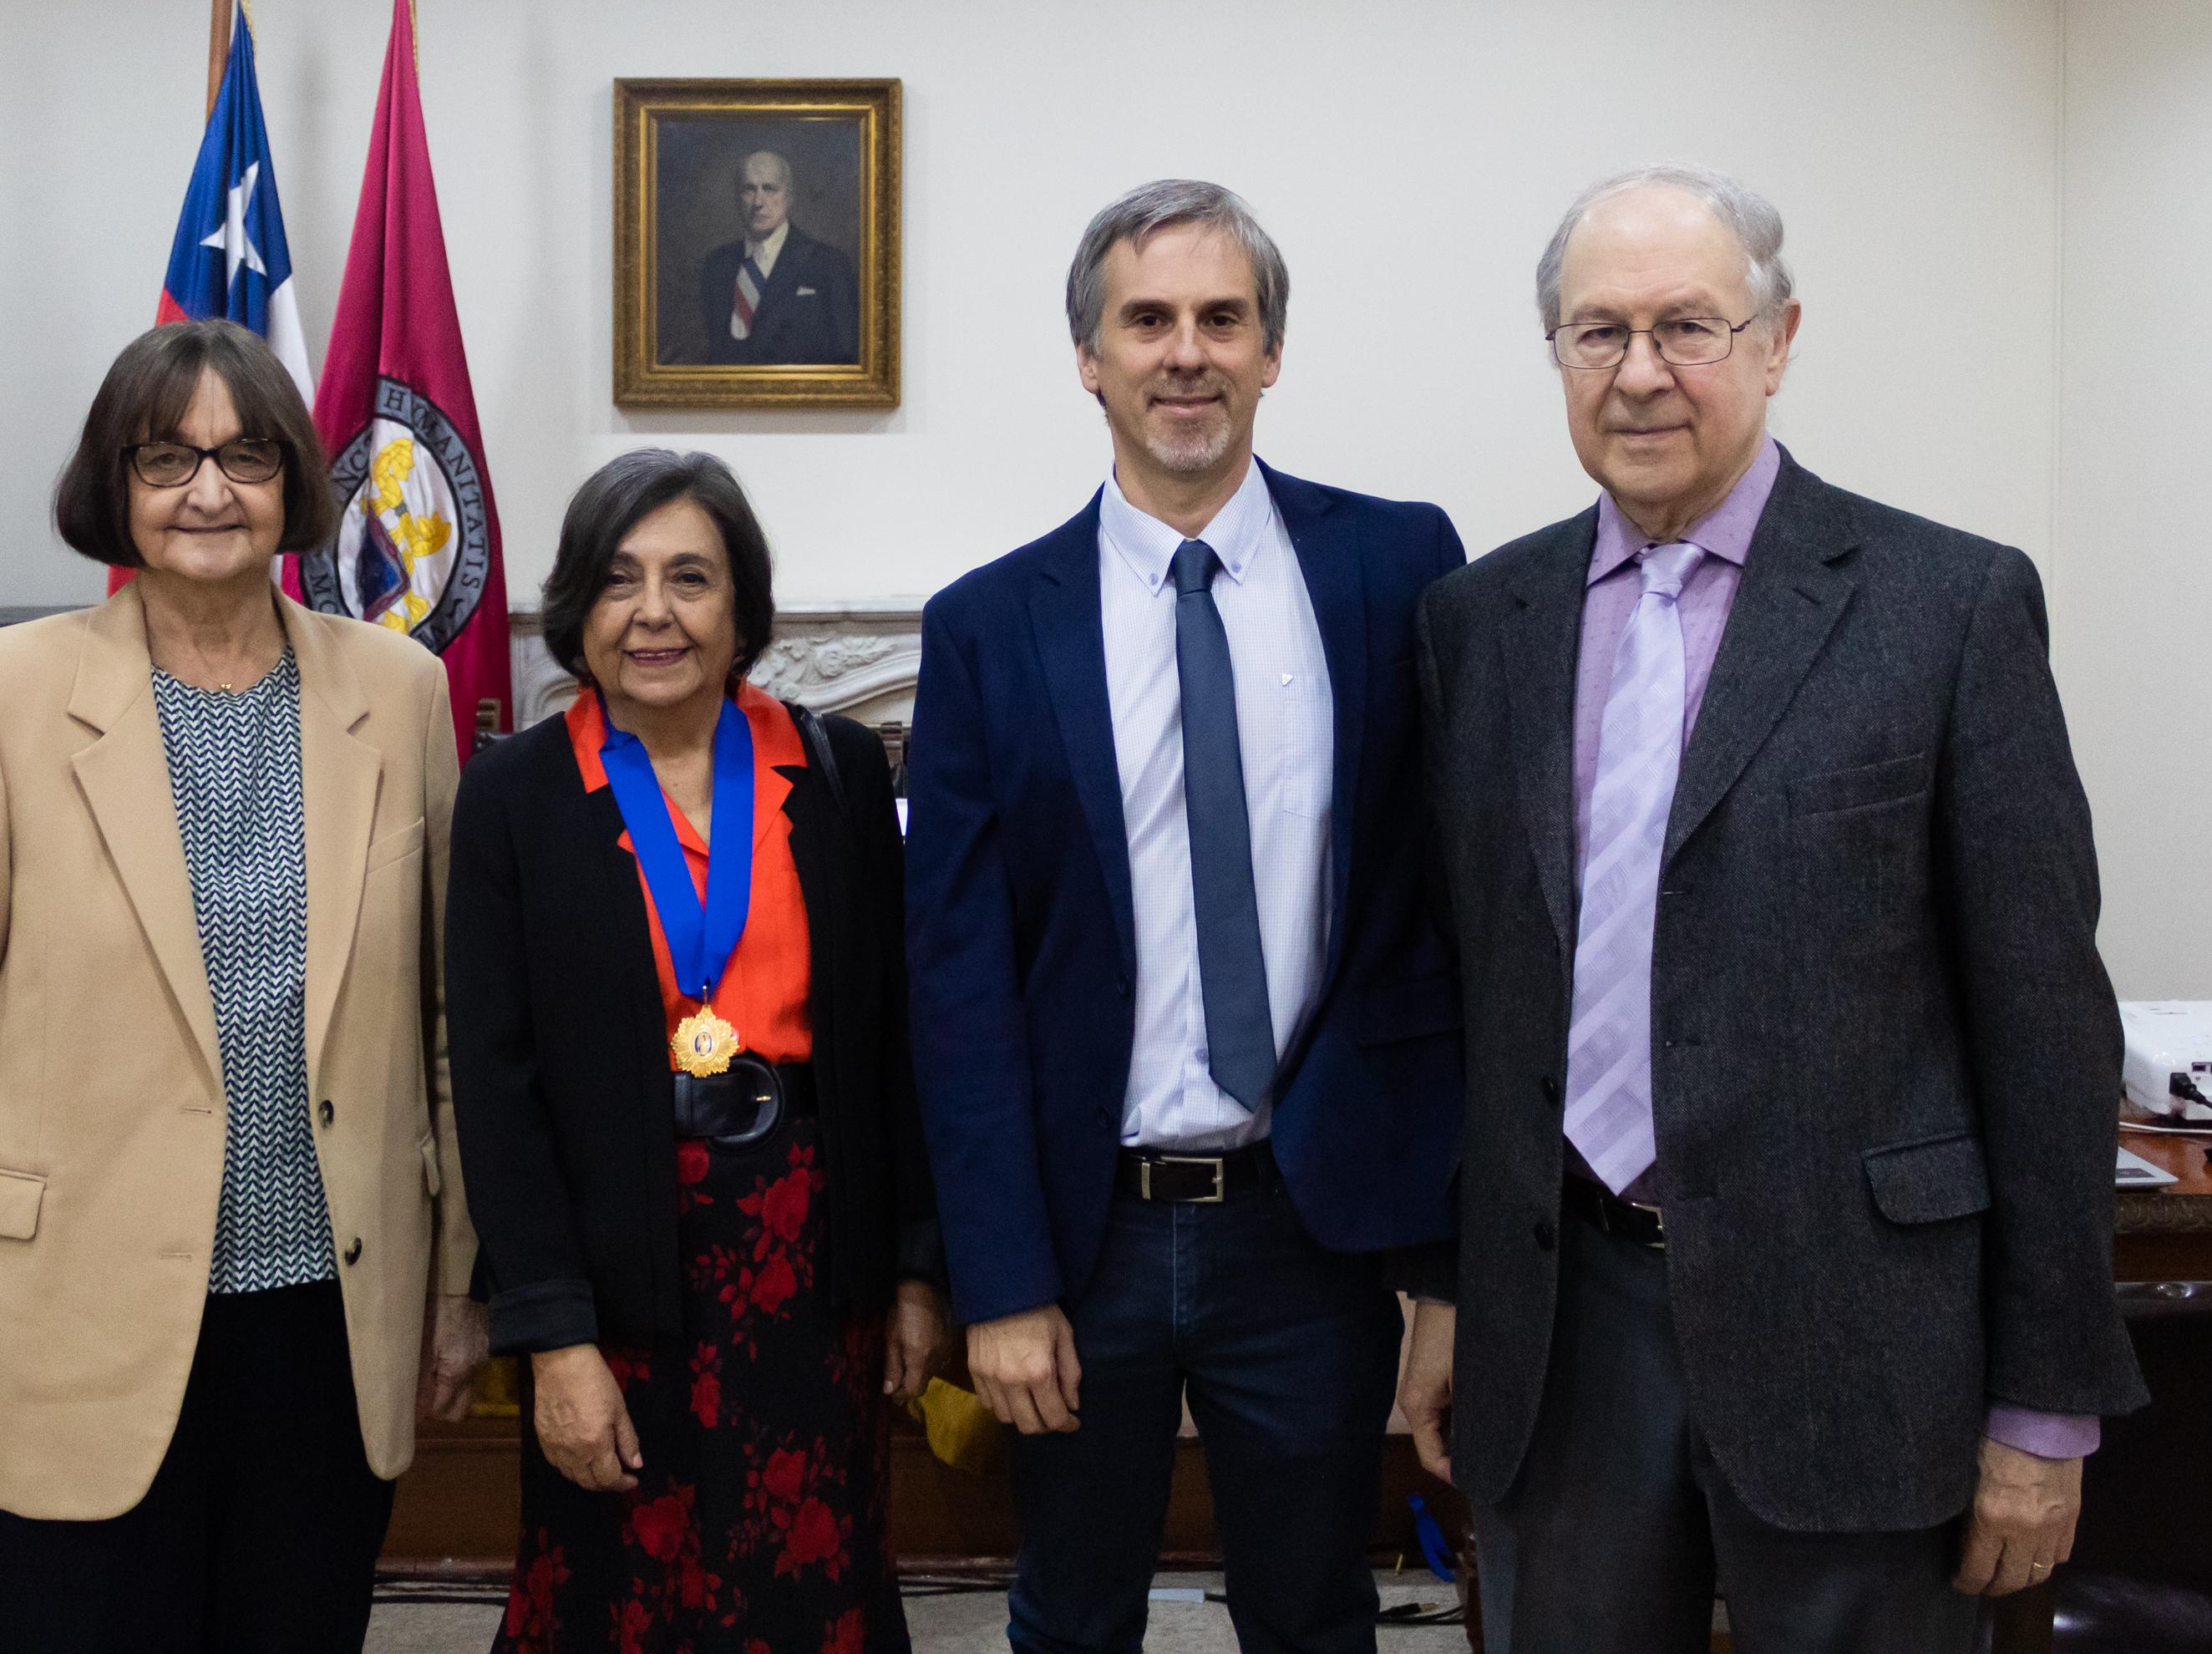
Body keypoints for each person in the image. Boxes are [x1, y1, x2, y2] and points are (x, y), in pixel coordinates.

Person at [1403, 164, 2149, 1653]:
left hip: (1866, 1345)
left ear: (1777, 338)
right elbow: (1462, 996)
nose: (1641, 374)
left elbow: (2045, 1027)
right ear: (1556, 353)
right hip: (1567, 1335)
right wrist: (1442, 1290)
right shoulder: (1482, 623)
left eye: (1687, 326)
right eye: (1597, 333)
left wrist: (2046, 1407)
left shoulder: (1947, 606)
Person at [0, 317, 486, 1651]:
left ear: (296, 481)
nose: (208, 491)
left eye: (246, 455)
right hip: (63, 1325)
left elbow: (447, 1022)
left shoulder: (400, 689)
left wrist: (459, 1281)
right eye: (167, 458)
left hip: (325, 1321)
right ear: (113, 486)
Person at [903, 179, 1465, 1653]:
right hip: (1084, 1236)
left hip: (1313, 1225)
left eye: (1224, 318)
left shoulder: (1399, 570)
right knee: (1073, 1620)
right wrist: (1001, 1283)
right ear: (1088, 358)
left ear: (1273, 351)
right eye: (1146, 320)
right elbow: (955, 981)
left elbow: (1441, 924)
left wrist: (1438, 1261)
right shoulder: (986, 626)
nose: (1187, 352)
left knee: (1315, 1616)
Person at [446, 448, 946, 1652]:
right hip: (616, 1267)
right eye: (619, 581)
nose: (655, 614)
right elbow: (498, 1093)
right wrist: (554, 1341)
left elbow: (896, 1044)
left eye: (691, 578)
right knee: (619, 1593)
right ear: (578, 608)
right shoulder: (513, 795)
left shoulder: (829, 772)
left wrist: (918, 1272)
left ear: (742, 608)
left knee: (804, 1589)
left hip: (812, 1265)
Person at [698, 150, 860, 365]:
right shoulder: (717, 265)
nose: (758, 202)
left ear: (789, 197)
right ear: (737, 198)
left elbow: (846, 354)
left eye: (769, 189)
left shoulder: (829, 264)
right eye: (749, 189)